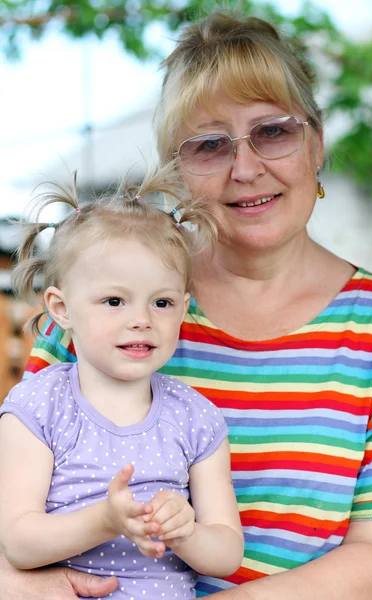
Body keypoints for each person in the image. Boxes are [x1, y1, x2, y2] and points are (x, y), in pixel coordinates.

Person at [1, 9, 372, 600]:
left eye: (273, 131)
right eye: (209, 145)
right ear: (176, 172)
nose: (245, 169)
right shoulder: (105, 304)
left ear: (315, 144)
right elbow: (16, 502)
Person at [0, 169, 244, 600]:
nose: (142, 319)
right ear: (61, 308)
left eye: (162, 302)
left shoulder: (195, 416)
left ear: (183, 308)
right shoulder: (39, 405)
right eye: (114, 301)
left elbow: (226, 554)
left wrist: (186, 530)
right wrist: (107, 520)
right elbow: (18, 542)